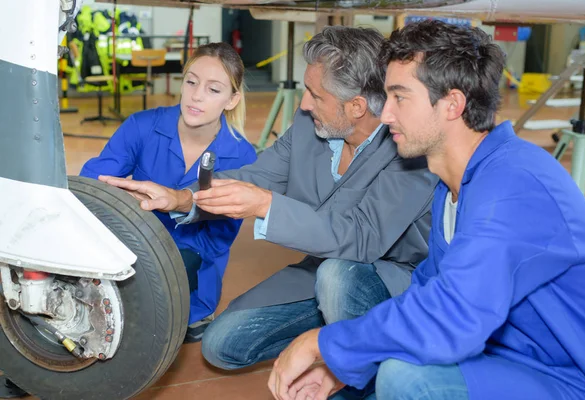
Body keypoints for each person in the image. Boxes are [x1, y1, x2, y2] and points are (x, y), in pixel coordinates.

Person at [268, 19, 585, 400]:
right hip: (513, 360)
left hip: (577, 377)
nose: (386, 114)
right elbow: (429, 288)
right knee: (390, 370)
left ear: (452, 104)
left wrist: (323, 344)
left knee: (406, 378)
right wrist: (345, 368)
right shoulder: (454, 183)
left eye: (399, 97)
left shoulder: (513, 182)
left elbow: (454, 314)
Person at [99, 26, 438, 371]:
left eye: (315, 95)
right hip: (322, 270)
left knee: (338, 275)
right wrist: (183, 198)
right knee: (221, 345)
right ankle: (331, 329)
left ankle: (363, 372)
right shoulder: (310, 125)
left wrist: (266, 205)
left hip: (392, 279)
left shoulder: (409, 146)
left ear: (356, 107)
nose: (304, 104)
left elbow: (361, 238)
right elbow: (258, 176)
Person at [80, 42, 257, 343]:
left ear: (232, 99)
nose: (197, 95)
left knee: (139, 324)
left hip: (192, 256)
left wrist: (161, 237)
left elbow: (219, 235)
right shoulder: (143, 125)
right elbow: (94, 181)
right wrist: (128, 205)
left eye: (214, 90)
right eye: (191, 82)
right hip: (131, 238)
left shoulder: (241, 155)